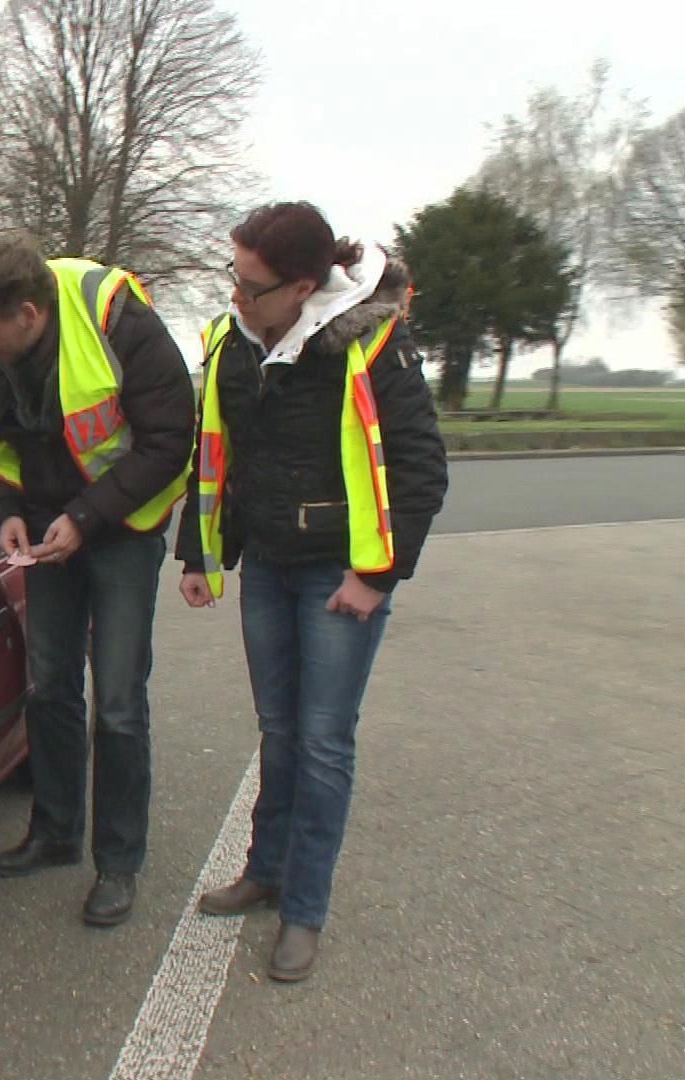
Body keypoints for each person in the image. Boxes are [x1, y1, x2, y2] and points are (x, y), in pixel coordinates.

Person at [177, 201, 448, 981]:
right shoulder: (232, 342)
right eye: (233, 276)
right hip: (265, 562)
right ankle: (265, 872)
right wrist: (199, 552)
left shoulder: (370, 346)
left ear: (302, 286)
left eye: (252, 285)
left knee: (324, 740)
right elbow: (211, 451)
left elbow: (421, 471)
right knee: (278, 729)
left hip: (339, 574)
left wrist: (378, 577)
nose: (236, 296)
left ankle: (305, 910)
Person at [0, 231, 196, 927]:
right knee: (48, 685)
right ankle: (53, 834)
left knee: (115, 700)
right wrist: (9, 513)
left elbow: (173, 440)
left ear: (29, 314)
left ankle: (118, 863)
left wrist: (86, 517)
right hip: (50, 530)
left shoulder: (114, 317)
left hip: (123, 529)